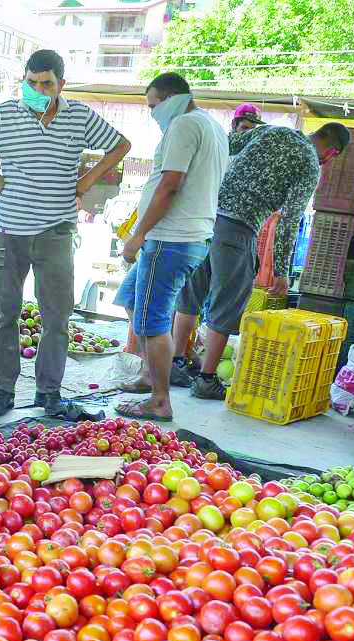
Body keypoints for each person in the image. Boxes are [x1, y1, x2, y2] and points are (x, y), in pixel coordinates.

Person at [0, 49, 130, 418]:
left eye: (46, 83)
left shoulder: (79, 116)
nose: (37, 89)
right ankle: (3, 389)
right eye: (31, 82)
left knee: (57, 315)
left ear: (61, 84)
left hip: (57, 228)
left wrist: (87, 180)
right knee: (4, 312)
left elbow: (121, 144)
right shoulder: (4, 114)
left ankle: (49, 392)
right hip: (9, 228)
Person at [171, 122, 351, 399]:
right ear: (331, 153)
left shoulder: (272, 130)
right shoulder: (309, 165)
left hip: (205, 218)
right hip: (238, 229)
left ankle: (175, 364)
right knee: (229, 301)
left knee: (191, 292)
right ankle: (206, 379)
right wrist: (281, 271)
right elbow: (289, 221)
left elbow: (225, 144)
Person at [112, 73, 228, 422]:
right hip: (186, 238)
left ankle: (159, 400)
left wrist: (138, 235)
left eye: (153, 106)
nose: (152, 114)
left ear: (172, 99)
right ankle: (151, 373)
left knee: (152, 321)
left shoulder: (183, 126)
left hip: (170, 239)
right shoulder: (211, 125)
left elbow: (170, 186)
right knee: (133, 300)